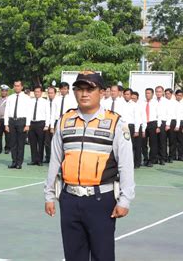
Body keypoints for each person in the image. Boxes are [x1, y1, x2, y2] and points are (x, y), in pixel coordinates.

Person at [44, 70, 135, 261]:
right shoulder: (64, 121)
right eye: (79, 89)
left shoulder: (115, 123)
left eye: (90, 89)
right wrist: (49, 194)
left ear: (102, 92)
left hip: (101, 201)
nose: (84, 94)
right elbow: (55, 159)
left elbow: (125, 164)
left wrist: (125, 199)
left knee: (102, 255)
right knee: (73, 255)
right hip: (69, 199)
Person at [4, 80, 32, 169]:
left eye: (18, 86)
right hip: (12, 121)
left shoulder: (26, 98)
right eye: (15, 85)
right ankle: (14, 161)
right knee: (13, 143)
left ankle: (19, 162)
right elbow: (6, 111)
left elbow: (29, 112)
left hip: (21, 121)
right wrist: (6, 124)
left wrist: (27, 124)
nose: (17, 87)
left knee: (20, 143)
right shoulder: (10, 97)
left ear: (22, 87)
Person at [27, 85, 50, 166]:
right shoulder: (30, 101)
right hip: (32, 123)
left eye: (38, 92)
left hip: (41, 123)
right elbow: (28, 113)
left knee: (41, 143)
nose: (37, 93)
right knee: (32, 143)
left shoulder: (45, 102)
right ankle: (34, 159)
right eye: (35, 92)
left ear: (41, 93)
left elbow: (48, 114)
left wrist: (47, 125)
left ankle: (40, 160)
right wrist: (27, 124)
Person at [122, 88, 143, 168]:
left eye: (128, 94)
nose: (126, 96)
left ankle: (136, 163)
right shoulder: (120, 104)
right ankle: (126, 163)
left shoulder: (135, 105)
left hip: (131, 127)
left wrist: (137, 130)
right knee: (125, 146)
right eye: (125, 94)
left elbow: (137, 118)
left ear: (131, 95)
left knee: (134, 146)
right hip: (123, 127)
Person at [141, 88, 159, 167]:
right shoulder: (141, 102)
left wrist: (158, 126)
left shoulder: (156, 103)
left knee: (153, 143)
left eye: (148, 93)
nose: (147, 94)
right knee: (143, 142)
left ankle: (151, 159)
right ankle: (145, 158)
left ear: (152, 94)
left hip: (153, 123)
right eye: (146, 93)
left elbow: (159, 115)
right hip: (144, 123)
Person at [0, 84, 10, 154]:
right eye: (2, 91)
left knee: (8, 135)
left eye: (5, 91)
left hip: (6, 119)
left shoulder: (9, 100)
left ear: (7, 92)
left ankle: (8, 148)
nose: (3, 92)